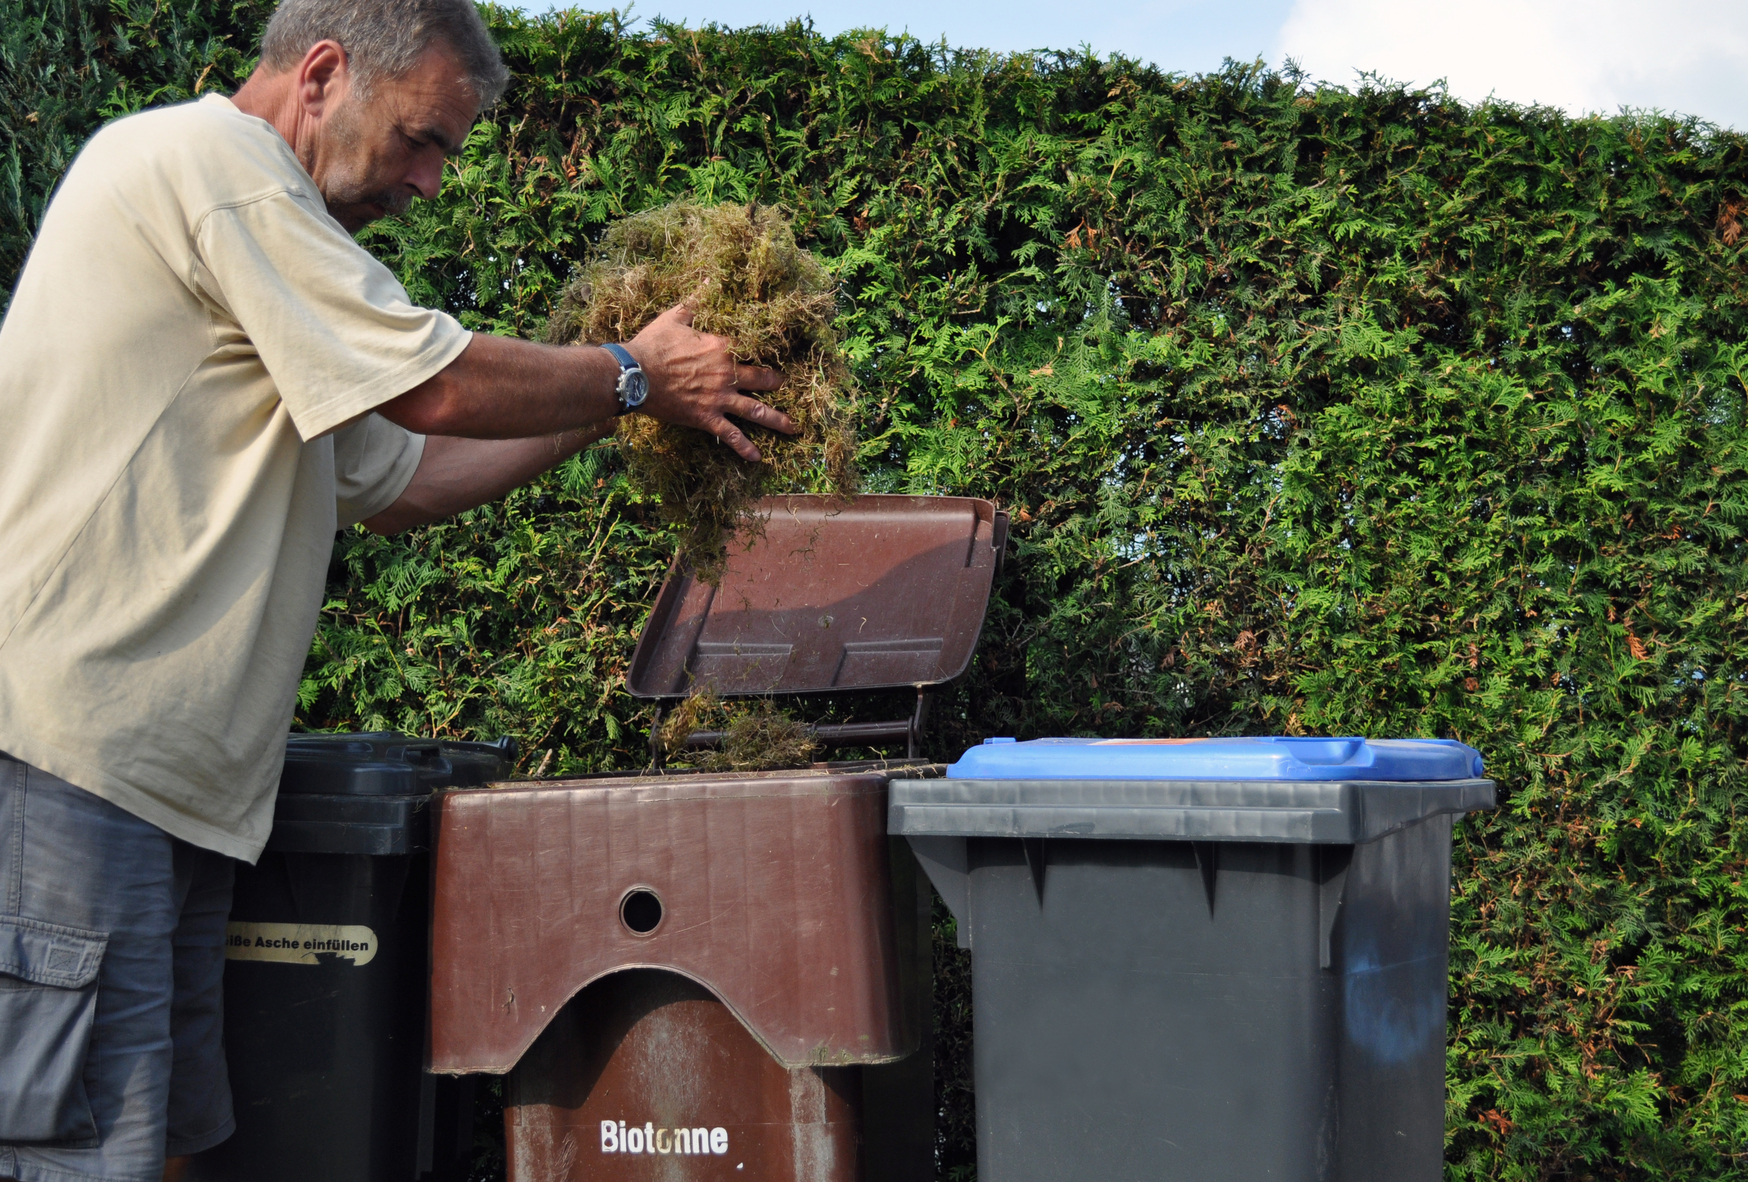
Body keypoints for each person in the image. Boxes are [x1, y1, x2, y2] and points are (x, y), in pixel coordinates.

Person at [0, 0, 794, 1178]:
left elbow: (407, 478)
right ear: (322, 74)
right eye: (423, 138)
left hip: (168, 788)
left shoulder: (268, 268)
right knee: (81, 1152)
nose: (430, 182)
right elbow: (434, 389)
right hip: (76, 768)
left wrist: (616, 404)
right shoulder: (208, 164)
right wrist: (630, 373)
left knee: (160, 1140)